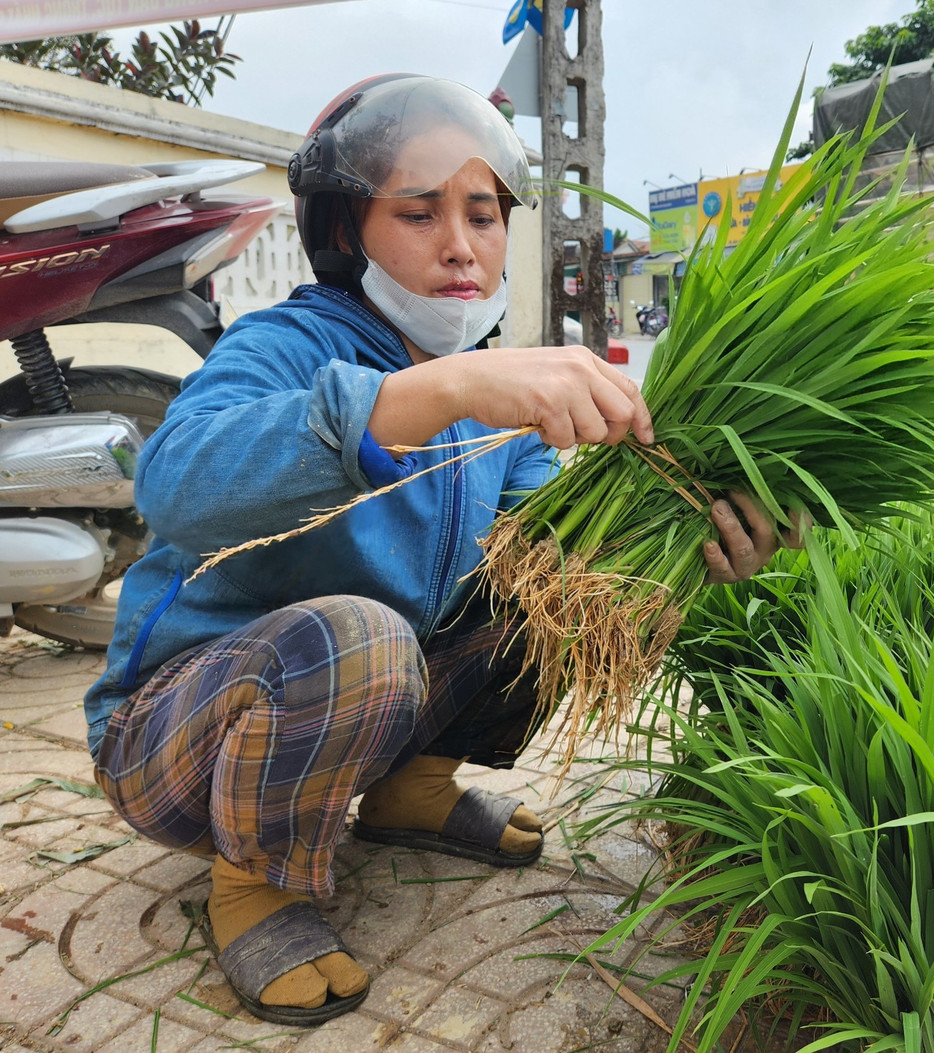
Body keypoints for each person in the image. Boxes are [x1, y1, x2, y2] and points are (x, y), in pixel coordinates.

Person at [82, 74, 785, 1026]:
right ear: (342, 231)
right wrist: (436, 392)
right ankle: (257, 880)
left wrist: (687, 545)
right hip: (179, 746)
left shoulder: (504, 404)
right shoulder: (279, 346)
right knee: (356, 636)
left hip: (360, 722)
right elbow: (173, 481)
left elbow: (552, 563)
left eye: (483, 214)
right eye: (418, 212)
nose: (461, 246)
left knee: (560, 590)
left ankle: (413, 787)